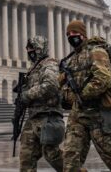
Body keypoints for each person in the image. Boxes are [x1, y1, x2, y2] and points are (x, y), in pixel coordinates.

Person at [59, 20, 111, 172]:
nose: (71, 36)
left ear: (83, 34)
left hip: (98, 113)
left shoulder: (96, 52)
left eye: (74, 33)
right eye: (68, 34)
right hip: (77, 114)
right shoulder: (72, 58)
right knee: (70, 158)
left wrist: (83, 95)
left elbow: (103, 79)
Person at [18, 36, 64, 172]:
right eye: (28, 49)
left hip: (47, 116)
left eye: (33, 49)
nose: (30, 52)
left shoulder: (49, 64)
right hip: (33, 118)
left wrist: (27, 95)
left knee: (52, 155)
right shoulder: (33, 68)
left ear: (40, 49)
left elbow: (51, 85)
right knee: (26, 157)